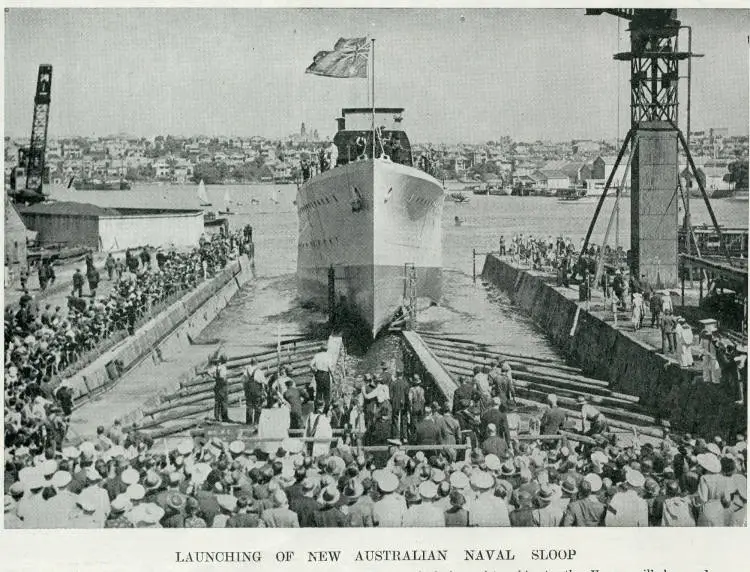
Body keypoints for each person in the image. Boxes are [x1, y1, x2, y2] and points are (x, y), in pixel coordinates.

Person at [242, 358, 266, 426]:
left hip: (249, 390)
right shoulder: (259, 371)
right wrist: (263, 391)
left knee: (249, 406)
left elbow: (243, 381)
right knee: (257, 406)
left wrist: (245, 389)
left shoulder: (246, 371)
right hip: (257, 390)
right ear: (257, 363)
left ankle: (249, 422)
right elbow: (263, 382)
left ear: (251, 362)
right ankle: (256, 422)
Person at [309, 345, 333, 412]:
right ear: (326, 350)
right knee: (326, 393)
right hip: (325, 374)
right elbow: (330, 368)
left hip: (318, 374)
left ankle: (317, 409)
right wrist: (333, 377)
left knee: (319, 391)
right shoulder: (328, 356)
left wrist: (314, 370)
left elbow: (310, 364)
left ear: (320, 349)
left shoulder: (317, 355)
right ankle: (326, 409)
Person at [212, 356, 229, 422]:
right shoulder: (223, 368)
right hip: (222, 386)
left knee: (217, 402)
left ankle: (217, 417)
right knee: (224, 401)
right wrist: (224, 380)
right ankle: (224, 417)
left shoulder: (217, 367)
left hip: (217, 386)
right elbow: (222, 377)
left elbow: (211, 373)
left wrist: (215, 377)